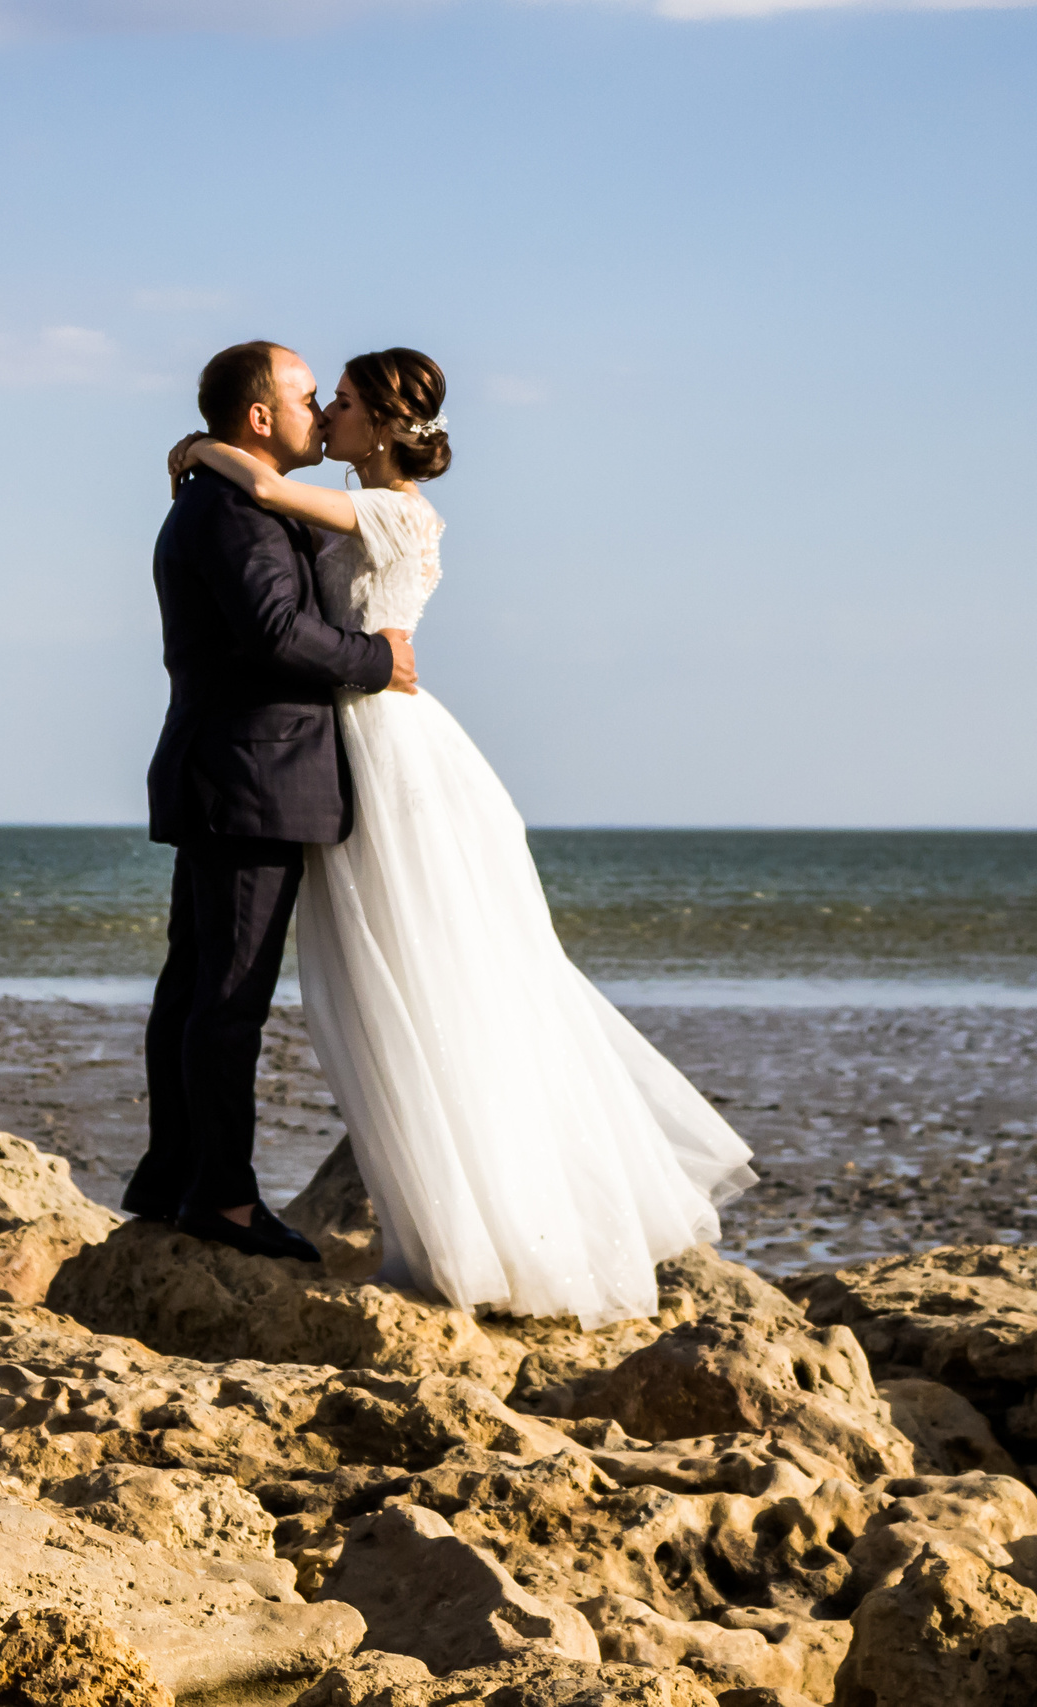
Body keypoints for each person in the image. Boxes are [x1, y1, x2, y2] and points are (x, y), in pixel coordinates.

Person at [166, 346, 756, 1325]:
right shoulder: (353, 503)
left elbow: (264, 485)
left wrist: (198, 447)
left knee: (426, 970)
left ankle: (484, 1227)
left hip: (388, 752)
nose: (329, 414)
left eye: (342, 403)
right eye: (322, 399)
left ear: (385, 427)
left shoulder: (396, 510)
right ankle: (441, 1216)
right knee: (382, 978)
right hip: (346, 744)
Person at [129, 340, 419, 1263]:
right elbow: (274, 633)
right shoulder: (234, 511)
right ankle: (218, 1196)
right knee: (226, 997)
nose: (317, 413)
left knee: (195, 986)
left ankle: (175, 1176)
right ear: (259, 417)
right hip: (251, 778)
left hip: (231, 771)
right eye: (305, 397)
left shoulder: (227, 496)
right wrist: (381, 661)